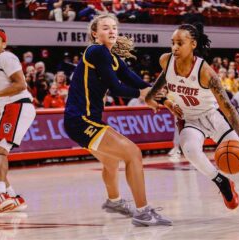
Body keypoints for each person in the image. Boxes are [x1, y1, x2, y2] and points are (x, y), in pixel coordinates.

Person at [145, 23, 239, 216]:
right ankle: (222, 181)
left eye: (180, 43)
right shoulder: (166, 60)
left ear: (193, 44)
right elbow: (165, 78)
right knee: (189, 150)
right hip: (189, 119)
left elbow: (228, 108)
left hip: (213, 117)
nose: (175, 47)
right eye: (173, 43)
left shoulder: (205, 72)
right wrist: (154, 98)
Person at [63, 14, 171, 227]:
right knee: (133, 153)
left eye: (114, 27)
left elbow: (133, 79)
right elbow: (116, 87)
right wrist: (144, 95)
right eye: (105, 28)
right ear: (95, 33)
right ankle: (143, 212)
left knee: (111, 161)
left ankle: (114, 202)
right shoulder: (96, 51)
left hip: (84, 120)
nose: (112, 31)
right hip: (81, 120)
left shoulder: (112, 57)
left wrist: (157, 94)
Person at [0, 29, 35, 219]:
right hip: (8, 109)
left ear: (4, 44)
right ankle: (12, 197)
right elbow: (5, 101)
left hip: (18, 107)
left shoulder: (6, 57)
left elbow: (21, 86)